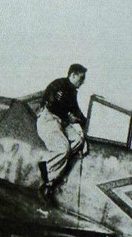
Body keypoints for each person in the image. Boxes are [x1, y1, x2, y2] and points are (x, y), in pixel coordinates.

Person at [35, 63, 90, 199]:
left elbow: (75, 110)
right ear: (73, 75)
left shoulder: (72, 91)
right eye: (81, 78)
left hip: (61, 121)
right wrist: (69, 117)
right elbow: (53, 105)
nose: (83, 82)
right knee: (62, 148)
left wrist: (87, 123)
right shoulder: (59, 85)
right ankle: (48, 182)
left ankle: (53, 165)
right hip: (49, 119)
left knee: (78, 140)